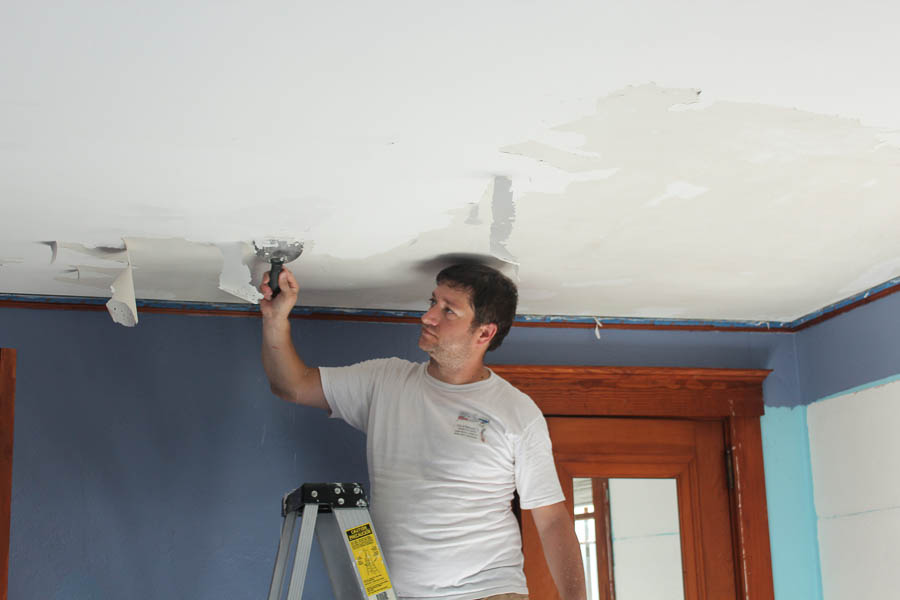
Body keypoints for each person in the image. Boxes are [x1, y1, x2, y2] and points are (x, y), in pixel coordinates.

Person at [260, 262, 586, 600]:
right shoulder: (386, 382)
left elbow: (551, 521)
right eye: (432, 303)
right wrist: (275, 318)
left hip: (487, 592)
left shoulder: (516, 412)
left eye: (448, 311)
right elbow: (292, 385)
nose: (428, 316)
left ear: (484, 334)